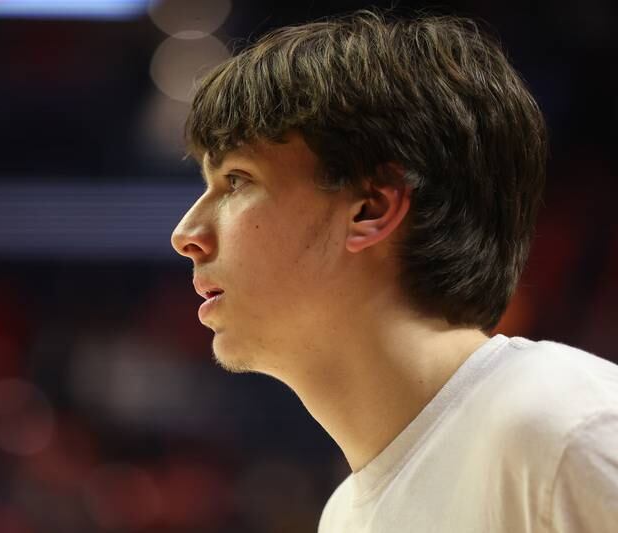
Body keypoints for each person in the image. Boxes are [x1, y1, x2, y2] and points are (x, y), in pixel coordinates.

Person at [169, 8, 617, 533]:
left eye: (237, 180)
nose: (186, 235)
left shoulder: (567, 432)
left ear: (371, 209)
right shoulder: (344, 515)